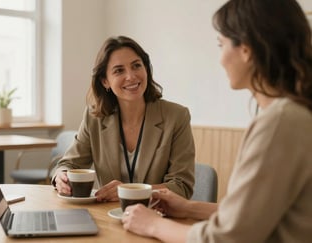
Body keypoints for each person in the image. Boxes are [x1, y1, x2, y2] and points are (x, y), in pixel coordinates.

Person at [121, 0, 312, 242]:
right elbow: (249, 218)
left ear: (246, 49)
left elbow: (227, 238)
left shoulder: (280, 122)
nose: (220, 59)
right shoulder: (294, 114)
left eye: (221, 44)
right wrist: (189, 208)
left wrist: (153, 226)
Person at [52, 36, 195, 202]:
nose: (131, 76)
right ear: (105, 81)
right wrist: (61, 176)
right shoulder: (94, 118)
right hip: (107, 216)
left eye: (136, 66)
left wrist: (127, 191)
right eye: (119, 70)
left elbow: (181, 186)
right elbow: (69, 164)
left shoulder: (176, 116)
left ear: (146, 69)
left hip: (157, 217)